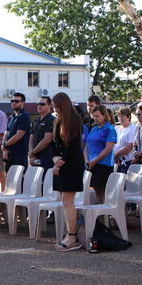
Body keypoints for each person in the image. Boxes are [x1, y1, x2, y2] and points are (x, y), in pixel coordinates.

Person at [50, 92, 86, 251]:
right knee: (64, 201)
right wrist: (54, 159)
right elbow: (54, 144)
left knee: (68, 201)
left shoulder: (74, 120)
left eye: (57, 106)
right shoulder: (58, 121)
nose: (55, 109)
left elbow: (73, 146)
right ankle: (69, 232)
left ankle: (72, 236)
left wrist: (59, 163)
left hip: (72, 165)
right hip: (61, 163)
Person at [85, 105, 117, 203]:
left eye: (97, 116)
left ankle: (105, 214)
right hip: (92, 164)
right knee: (96, 189)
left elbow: (108, 149)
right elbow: (87, 145)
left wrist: (95, 161)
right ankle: (100, 214)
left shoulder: (110, 129)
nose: (95, 118)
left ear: (104, 115)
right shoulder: (94, 129)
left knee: (103, 190)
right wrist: (86, 159)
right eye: (93, 116)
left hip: (104, 164)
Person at [3, 92, 31, 172]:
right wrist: (4, 147)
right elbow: (6, 133)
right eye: (12, 101)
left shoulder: (24, 116)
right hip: (9, 154)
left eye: (16, 101)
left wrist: (5, 144)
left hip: (20, 155)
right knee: (8, 178)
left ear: (22, 103)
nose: (14, 103)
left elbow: (19, 135)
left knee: (19, 179)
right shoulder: (11, 117)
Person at [28, 95, 55, 169]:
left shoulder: (52, 120)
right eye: (38, 104)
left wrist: (33, 152)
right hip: (34, 157)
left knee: (45, 180)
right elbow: (31, 137)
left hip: (46, 158)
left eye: (42, 104)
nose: (39, 106)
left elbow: (47, 139)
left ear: (50, 106)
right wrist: (31, 153)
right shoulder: (35, 121)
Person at [113, 106, 137, 173]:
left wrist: (117, 154)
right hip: (118, 161)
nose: (120, 118)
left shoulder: (132, 128)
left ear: (128, 117)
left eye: (122, 116)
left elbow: (129, 146)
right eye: (119, 116)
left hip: (128, 161)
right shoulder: (116, 128)